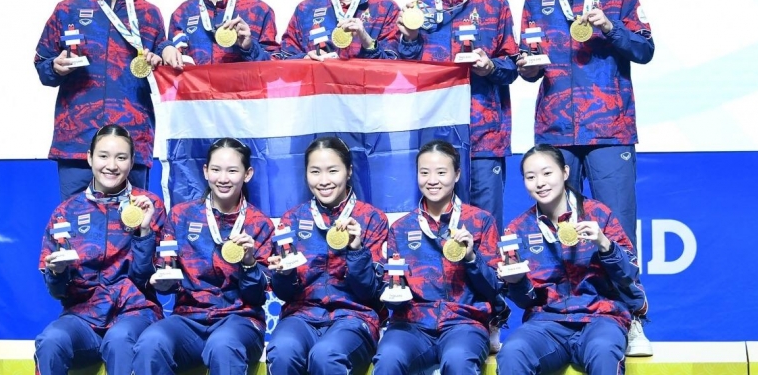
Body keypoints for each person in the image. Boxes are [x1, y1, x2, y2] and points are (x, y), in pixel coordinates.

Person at [516, 0, 655, 253]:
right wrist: (527, 68)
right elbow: (529, 62)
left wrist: (610, 27)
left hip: (609, 128)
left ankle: (626, 292)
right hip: (556, 131)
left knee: (618, 229)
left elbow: (644, 49)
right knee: (559, 231)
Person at [397, 0, 520, 231]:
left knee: (486, 227)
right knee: (434, 228)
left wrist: (489, 67)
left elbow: (512, 66)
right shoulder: (417, 11)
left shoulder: (495, 5)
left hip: (484, 137)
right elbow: (405, 74)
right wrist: (409, 38)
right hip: (435, 136)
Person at [34, 0, 170, 201]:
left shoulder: (149, 14)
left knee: (133, 216)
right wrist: (55, 68)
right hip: (77, 139)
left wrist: (159, 63)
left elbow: (162, 72)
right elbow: (42, 65)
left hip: (132, 137)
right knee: (76, 217)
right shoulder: (68, 9)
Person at [496, 144, 650, 375]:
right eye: (531, 177)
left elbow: (629, 275)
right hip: (546, 323)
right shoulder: (518, 229)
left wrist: (605, 244)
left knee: (604, 350)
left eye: (547, 173)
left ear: (565, 172)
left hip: (601, 318)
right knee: (512, 352)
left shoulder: (598, 214)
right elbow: (526, 302)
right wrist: (516, 281)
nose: (540, 183)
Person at [132, 138, 275, 374]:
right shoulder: (181, 216)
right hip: (188, 319)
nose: (223, 178)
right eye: (216, 169)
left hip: (240, 320)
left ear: (247, 174)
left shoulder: (260, 225)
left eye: (232, 171)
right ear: (206, 171)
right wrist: (163, 281)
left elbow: (256, 296)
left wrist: (249, 263)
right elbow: (166, 282)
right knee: (151, 343)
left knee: (223, 345)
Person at [34, 124, 167, 375]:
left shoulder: (150, 206)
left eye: (121, 157)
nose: (111, 165)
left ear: (132, 161)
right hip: (83, 318)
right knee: (51, 341)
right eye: (103, 156)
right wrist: (57, 273)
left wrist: (144, 233)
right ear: (89, 158)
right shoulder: (66, 212)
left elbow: (149, 279)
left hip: (134, 313)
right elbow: (56, 291)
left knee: (119, 340)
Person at [373, 140, 502, 375]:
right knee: (388, 359)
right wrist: (392, 292)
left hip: (464, 324)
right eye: (424, 173)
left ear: (457, 174)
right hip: (411, 325)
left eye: (441, 172)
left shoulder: (481, 222)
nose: (432, 180)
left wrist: (471, 258)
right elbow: (390, 288)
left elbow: (494, 288)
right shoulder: (401, 228)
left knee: (458, 361)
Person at [266, 137, 388, 375]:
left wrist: (356, 250)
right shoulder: (292, 219)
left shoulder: (372, 219)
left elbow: (370, 293)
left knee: (326, 355)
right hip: (300, 316)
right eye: (315, 172)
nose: (323, 181)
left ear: (348, 171)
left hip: (354, 317)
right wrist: (284, 274)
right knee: (282, 351)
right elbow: (283, 293)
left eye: (333, 171)